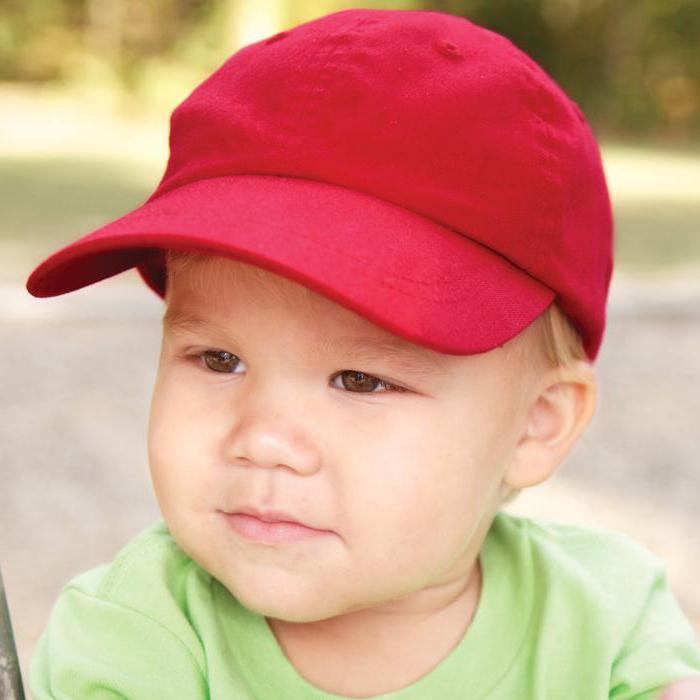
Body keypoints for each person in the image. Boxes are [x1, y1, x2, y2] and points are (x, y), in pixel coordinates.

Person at [24, 8, 700, 699]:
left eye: (360, 380)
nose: (263, 440)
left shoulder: (604, 622)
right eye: (218, 360)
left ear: (538, 422)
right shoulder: (134, 639)